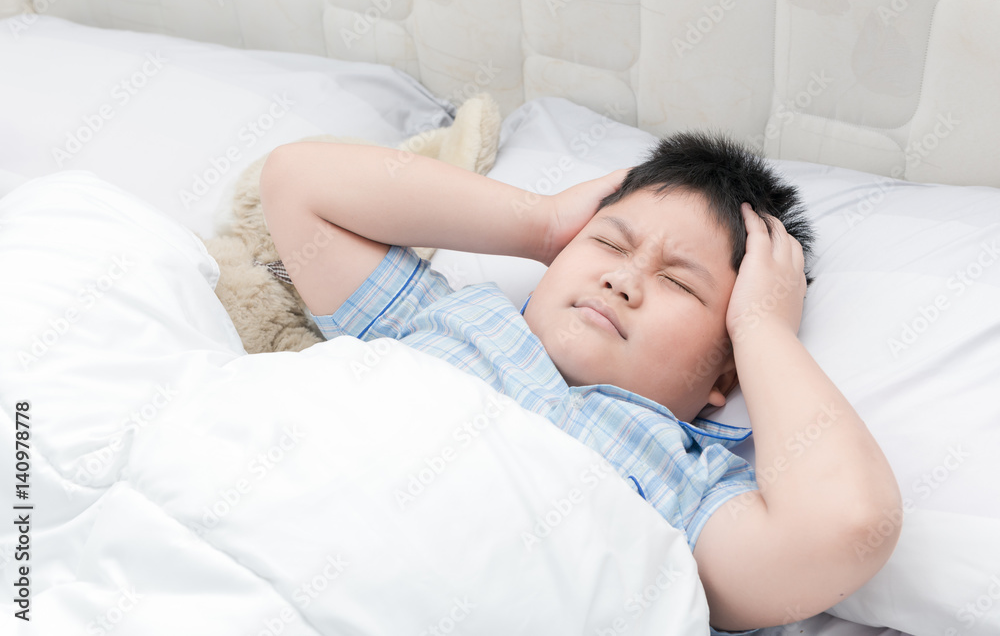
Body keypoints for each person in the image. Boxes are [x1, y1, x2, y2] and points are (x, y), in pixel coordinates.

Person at [259, 131, 902, 634]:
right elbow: (297, 182)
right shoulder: (446, 320)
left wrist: (765, 329)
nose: (623, 280)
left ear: (725, 375)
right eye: (609, 245)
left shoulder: (687, 486)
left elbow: (845, 524)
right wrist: (540, 222)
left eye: (679, 283)